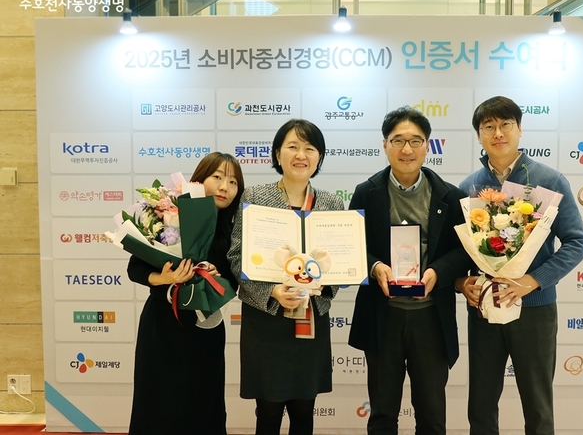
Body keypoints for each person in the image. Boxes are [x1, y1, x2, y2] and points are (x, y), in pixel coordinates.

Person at [456, 96, 583, 435]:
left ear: (519, 129)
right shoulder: (469, 187)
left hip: (535, 309)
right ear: (479, 135)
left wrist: (533, 280)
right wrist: (462, 282)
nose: (498, 133)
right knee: (481, 406)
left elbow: (576, 241)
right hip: (485, 309)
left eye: (506, 125)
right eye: (488, 127)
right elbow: (459, 251)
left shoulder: (548, 179)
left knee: (538, 406)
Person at [347, 106, 473, 435]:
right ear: (385, 145)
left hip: (431, 318)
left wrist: (437, 273)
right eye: (398, 140)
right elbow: (351, 246)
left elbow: (464, 251)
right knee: (382, 415)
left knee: (432, 416)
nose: (407, 149)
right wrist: (375, 267)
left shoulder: (450, 195)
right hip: (382, 316)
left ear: (428, 146)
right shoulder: (366, 192)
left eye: (415, 141)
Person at [227, 119, 344, 435]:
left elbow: (341, 262)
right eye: (293, 146)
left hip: (311, 320)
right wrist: (272, 291)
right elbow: (236, 256)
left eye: (310, 148)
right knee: (268, 410)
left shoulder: (332, 203)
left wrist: (326, 282)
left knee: (305, 410)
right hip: (268, 320)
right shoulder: (254, 197)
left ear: (319, 157)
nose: (301, 155)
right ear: (278, 154)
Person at [127, 152, 245, 435]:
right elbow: (135, 268)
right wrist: (165, 278)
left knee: (202, 405)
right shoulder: (170, 216)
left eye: (233, 182)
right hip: (161, 328)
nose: (225, 187)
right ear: (199, 180)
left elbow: (234, 282)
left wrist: (216, 277)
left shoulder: (235, 231)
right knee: (157, 404)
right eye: (217, 177)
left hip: (205, 330)